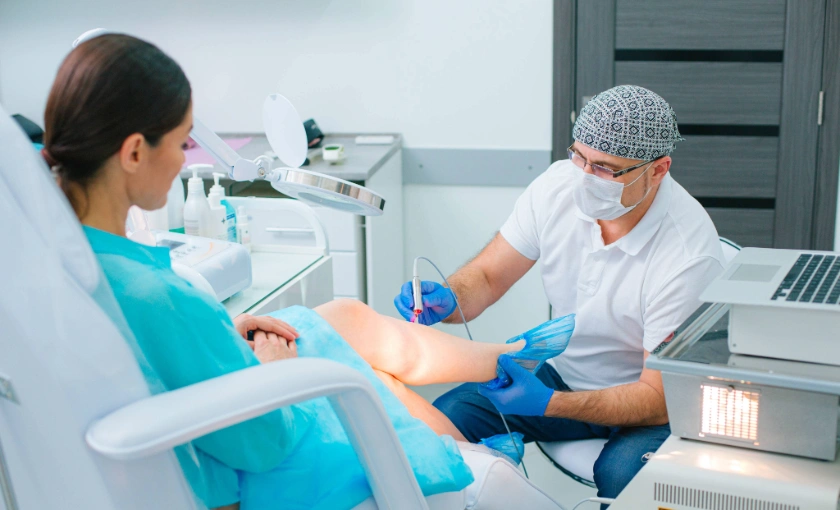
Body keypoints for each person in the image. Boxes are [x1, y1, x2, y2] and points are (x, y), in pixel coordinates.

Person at [42, 34, 550, 510]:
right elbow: (263, 444)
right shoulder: (155, 294)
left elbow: (160, 353)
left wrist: (224, 332)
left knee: (345, 321)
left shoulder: (55, 258)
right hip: (253, 466)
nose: (182, 161)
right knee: (360, 369)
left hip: (197, 415)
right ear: (133, 152)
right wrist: (276, 372)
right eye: (179, 144)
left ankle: (511, 369)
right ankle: (487, 445)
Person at [395, 85, 725, 501]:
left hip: (649, 401)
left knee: (625, 478)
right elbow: (488, 275)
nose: (585, 179)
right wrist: (449, 297)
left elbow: (656, 399)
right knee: (446, 418)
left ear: (658, 169)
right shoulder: (556, 188)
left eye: (605, 169)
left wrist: (547, 404)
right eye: (579, 157)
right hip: (563, 372)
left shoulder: (687, 255)